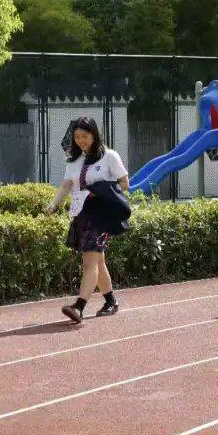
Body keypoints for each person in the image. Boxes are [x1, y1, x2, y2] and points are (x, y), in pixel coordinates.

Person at [46, 116, 129, 324]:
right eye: (77, 137)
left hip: (101, 215)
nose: (81, 140)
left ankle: (79, 306)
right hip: (80, 214)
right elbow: (66, 185)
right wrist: (53, 204)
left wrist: (101, 191)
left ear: (94, 134)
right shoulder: (74, 160)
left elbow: (124, 183)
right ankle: (111, 301)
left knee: (89, 261)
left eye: (85, 136)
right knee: (98, 260)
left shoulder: (109, 156)